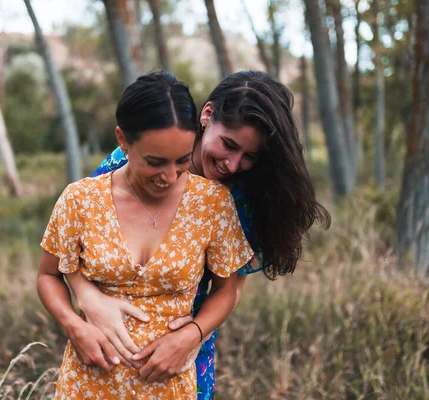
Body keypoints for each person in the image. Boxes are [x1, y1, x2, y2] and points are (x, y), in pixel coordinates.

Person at [67, 70, 332, 400]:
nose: (232, 165)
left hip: (180, 357)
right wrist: (87, 297)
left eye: (249, 156)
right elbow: (77, 242)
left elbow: (230, 289)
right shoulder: (134, 159)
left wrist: (192, 336)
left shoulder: (238, 201)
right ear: (207, 116)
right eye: (229, 145)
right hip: (104, 353)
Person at [38, 72, 254, 399]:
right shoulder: (80, 200)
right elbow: (48, 275)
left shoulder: (212, 202)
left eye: (182, 160)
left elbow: (227, 289)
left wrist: (192, 334)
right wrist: (74, 326)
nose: (169, 176)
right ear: (123, 140)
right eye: (155, 162)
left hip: (171, 387)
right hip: (88, 385)